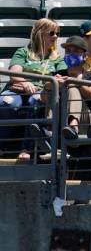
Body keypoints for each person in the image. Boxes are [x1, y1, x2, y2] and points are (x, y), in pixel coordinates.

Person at [0, 18, 66, 159]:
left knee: (35, 101)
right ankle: (1, 145)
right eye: (52, 33)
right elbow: (14, 72)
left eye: (58, 33)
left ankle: (26, 149)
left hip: (40, 92)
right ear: (40, 33)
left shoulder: (57, 58)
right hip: (18, 89)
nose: (55, 37)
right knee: (7, 102)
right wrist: (25, 83)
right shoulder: (23, 52)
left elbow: (62, 76)